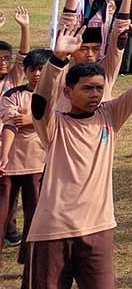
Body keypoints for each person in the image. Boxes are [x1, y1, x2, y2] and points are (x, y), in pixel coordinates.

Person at [27, 19, 132, 289]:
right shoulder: (54, 125)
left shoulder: (110, 116)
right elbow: (40, 102)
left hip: (98, 228)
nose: (95, 94)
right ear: (68, 91)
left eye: (99, 88)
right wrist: (57, 61)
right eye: (87, 88)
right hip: (53, 230)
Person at [0, 49, 49, 266]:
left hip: (39, 163)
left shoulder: (57, 96)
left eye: (41, 69)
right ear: (26, 72)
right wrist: (3, 157)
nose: (37, 74)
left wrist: (30, 118)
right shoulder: (13, 95)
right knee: (2, 214)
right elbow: (10, 125)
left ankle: (30, 261)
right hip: (11, 164)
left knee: (35, 216)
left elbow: (53, 119)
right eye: (33, 69)